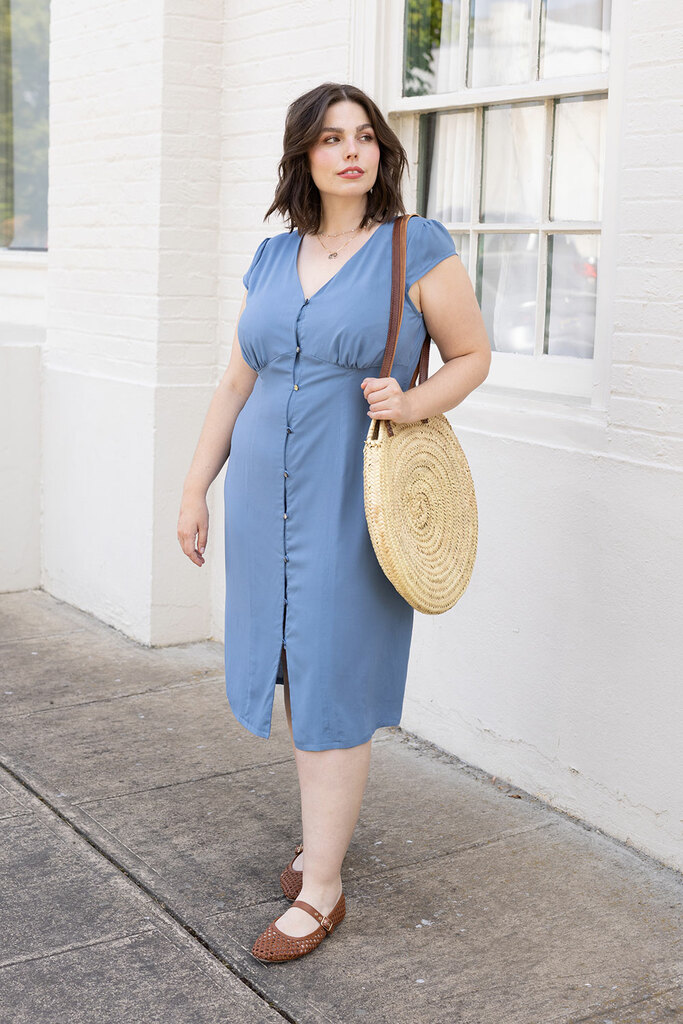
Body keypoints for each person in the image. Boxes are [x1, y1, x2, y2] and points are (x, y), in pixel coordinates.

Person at [177, 81, 491, 963]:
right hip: (261, 496)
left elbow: (472, 354)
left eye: (363, 137)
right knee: (287, 667)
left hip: (352, 497)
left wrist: (414, 398)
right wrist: (195, 487)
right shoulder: (273, 258)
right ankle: (322, 847)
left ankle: (322, 888)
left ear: (382, 152)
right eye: (328, 139)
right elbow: (236, 383)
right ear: (304, 156)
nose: (349, 151)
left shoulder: (413, 245)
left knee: (332, 677)